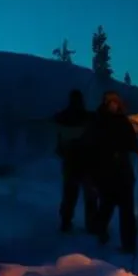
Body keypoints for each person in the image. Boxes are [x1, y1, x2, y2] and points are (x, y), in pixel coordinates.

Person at [90, 90, 138, 253]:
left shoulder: (123, 121)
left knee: (126, 211)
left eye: (115, 102)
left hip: (123, 172)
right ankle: (100, 232)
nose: (113, 105)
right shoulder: (98, 121)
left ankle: (129, 245)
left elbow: (133, 143)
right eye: (110, 102)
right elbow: (93, 146)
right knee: (106, 206)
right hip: (106, 172)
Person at [53, 89, 99, 234]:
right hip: (84, 162)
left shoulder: (64, 116)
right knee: (87, 196)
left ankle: (66, 223)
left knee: (71, 195)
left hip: (74, 162)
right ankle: (89, 225)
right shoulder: (87, 117)